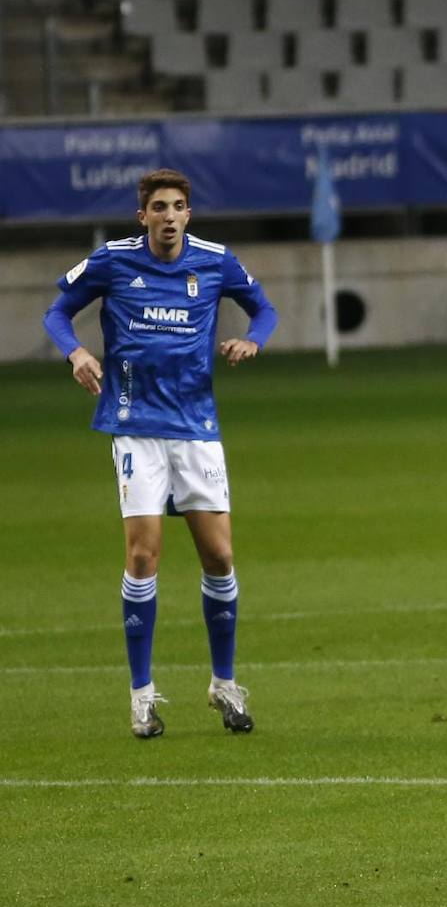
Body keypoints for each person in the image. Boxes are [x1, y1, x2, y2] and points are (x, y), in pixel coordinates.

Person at [42, 168, 278, 739]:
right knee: (144, 558)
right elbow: (57, 312)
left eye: (178, 207)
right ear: (142, 215)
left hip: (196, 427)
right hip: (135, 425)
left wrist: (253, 340)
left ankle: (224, 684)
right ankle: (141, 696)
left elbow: (264, 309)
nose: (169, 216)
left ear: (188, 214)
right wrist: (75, 353)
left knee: (219, 558)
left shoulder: (216, 260)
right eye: (159, 208)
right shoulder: (112, 261)